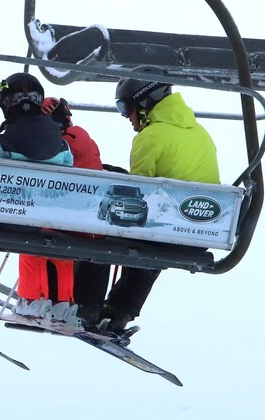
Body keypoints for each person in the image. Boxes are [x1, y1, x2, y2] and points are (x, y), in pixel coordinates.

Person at [73, 79, 220, 334]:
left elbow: (137, 196)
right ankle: (121, 311)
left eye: (125, 107)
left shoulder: (150, 136)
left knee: (99, 236)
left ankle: (87, 306)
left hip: (164, 229)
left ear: (142, 103)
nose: (126, 117)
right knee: (153, 243)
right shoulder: (200, 133)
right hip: (200, 231)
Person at [0, 74, 75, 318]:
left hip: (9, 218)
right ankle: (62, 302)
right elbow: (70, 173)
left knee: (26, 230)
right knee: (46, 231)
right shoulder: (61, 143)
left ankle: (31, 299)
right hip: (51, 219)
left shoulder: (3, 140)